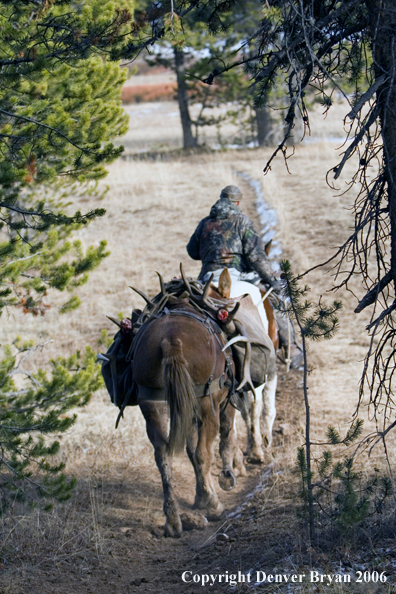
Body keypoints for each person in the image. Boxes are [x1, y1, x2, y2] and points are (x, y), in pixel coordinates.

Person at [186, 184, 303, 368]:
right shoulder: (243, 221)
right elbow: (256, 257)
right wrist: (272, 281)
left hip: (206, 279)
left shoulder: (205, 223)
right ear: (238, 202)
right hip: (237, 277)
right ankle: (290, 347)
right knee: (274, 300)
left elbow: (192, 251)